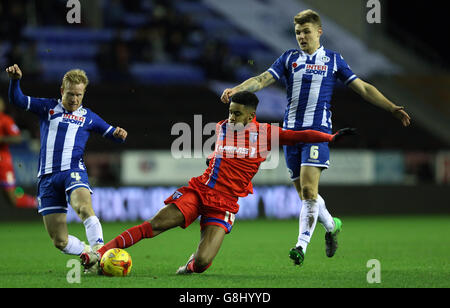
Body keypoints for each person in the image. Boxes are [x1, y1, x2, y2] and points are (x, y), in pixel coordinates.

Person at [80, 91, 355, 274]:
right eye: (230, 111)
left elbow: (299, 136)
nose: (230, 117)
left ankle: (188, 267)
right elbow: (221, 154)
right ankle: (98, 253)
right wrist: (212, 163)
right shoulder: (223, 127)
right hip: (201, 191)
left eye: (237, 113)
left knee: (201, 263)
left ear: (251, 116)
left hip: (225, 204)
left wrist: (329, 138)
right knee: (155, 225)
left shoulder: (266, 133)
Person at [220, 9, 411, 266]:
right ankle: (332, 226)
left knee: (310, 191)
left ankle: (300, 246)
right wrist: (237, 89)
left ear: (319, 32)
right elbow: (262, 79)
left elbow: (363, 87)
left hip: (317, 133)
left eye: (306, 31)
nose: (301, 36)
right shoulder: (289, 58)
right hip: (290, 135)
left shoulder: (333, 60)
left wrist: (391, 107)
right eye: (298, 32)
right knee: (305, 196)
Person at [6, 64, 128, 261]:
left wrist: (119, 134)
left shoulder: (89, 117)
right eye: (71, 94)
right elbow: (17, 99)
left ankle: (101, 252)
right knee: (59, 241)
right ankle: (90, 253)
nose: (74, 99)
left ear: (84, 93)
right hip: (47, 177)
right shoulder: (47, 107)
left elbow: (112, 134)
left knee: (83, 208)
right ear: (62, 91)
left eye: (79, 95)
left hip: (73, 170)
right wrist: (15, 80)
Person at [0, 96, 37, 208]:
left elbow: (18, 138)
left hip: (3, 162)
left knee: (12, 199)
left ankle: (37, 203)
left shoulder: (5, 120)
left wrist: (1, 139)